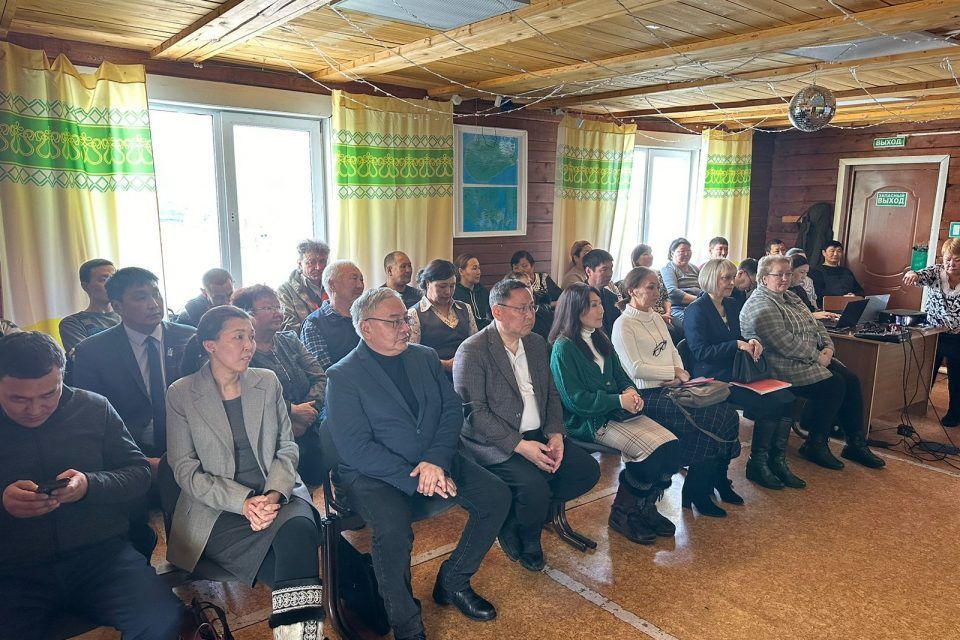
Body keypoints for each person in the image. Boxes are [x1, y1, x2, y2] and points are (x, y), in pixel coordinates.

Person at [326, 288, 510, 640]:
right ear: (366, 328)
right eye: (394, 322)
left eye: (405, 320)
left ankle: (453, 581)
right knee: (393, 531)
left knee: (496, 496)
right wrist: (418, 478)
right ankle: (406, 623)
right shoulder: (343, 375)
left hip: (434, 458)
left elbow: (451, 410)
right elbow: (355, 449)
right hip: (374, 476)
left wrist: (435, 461)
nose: (405, 328)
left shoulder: (424, 357)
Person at [0, 332, 182, 640]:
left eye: (49, 394)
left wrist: (89, 485)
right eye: (18, 399)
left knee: (161, 621)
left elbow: (139, 473)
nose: (35, 409)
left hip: (100, 558)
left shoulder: (93, 408)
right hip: (13, 568)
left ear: (63, 377)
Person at [167, 306, 322, 640]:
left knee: (297, 531)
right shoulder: (182, 393)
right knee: (293, 567)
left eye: (251, 336)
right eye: (238, 337)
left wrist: (272, 495)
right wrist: (243, 503)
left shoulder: (266, 381)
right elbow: (185, 469)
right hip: (217, 511)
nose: (249, 345)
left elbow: (287, 447)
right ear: (210, 345)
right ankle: (305, 635)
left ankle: (301, 636)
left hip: (276, 494)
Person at [453, 279, 600, 572]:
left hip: (539, 434)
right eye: (521, 308)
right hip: (496, 442)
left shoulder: (535, 343)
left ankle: (517, 517)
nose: (530, 314)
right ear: (497, 311)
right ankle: (529, 536)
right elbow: (475, 414)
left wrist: (556, 434)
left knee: (585, 471)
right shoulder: (473, 350)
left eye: (531, 307)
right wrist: (520, 446)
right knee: (534, 487)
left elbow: (552, 394)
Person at [73, 267, 195, 558]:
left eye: (156, 294)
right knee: (130, 526)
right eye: (141, 297)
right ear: (117, 306)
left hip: (190, 446)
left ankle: (195, 558)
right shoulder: (93, 351)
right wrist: (136, 459)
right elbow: (91, 418)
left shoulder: (190, 338)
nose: (153, 303)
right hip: (128, 451)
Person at [549, 283, 680, 543]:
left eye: (600, 303)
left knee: (672, 447)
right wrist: (619, 400)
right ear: (575, 310)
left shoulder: (600, 337)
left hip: (616, 413)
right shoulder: (563, 347)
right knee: (651, 453)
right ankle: (623, 512)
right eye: (594, 305)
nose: (601, 310)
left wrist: (630, 392)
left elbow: (621, 376)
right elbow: (576, 401)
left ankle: (644, 506)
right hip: (589, 421)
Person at [611, 267, 742, 517]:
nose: (656, 292)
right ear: (632, 291)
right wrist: (671, 374)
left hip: (672, 387)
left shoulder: (655, 317)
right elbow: (635, 369)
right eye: (650, 287)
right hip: (646, 395)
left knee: (727, 415)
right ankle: (697, 490)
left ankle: (710, 482)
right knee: (711, 420)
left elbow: (672, 350)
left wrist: (680, 373)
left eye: (658, 287)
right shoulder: (623, 324)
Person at [740, 256, 885, 471]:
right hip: (779, 365)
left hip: (806, 357)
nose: (785, 278)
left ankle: (855, 444)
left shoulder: (791, 296)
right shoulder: (760, 304)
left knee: (851, 380)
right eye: (779, 274)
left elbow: (816, 325)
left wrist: (828, 348)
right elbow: (783, 342)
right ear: (763, 279)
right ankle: (815, 444)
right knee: (833, 384)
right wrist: (818, 357)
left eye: (788, 274)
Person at [684, 259, 805, 490]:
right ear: (711, 279)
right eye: (726, 278)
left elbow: (743, 335)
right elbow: (700, 352)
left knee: (787, 398)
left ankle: (776, 461)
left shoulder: (731, 305)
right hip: (713, 377)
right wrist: (736, 345)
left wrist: (753, 341)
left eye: (733, 277)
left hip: (737, 371)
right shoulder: (696, 310)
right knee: (771, 403)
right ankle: (757, 463)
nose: (732, 282)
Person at [232, 285, 327, 484]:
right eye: (269, 308)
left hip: (308, 426)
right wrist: (291, 412)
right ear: (247, 314)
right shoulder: (241, 352)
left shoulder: (290, 339)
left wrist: (307, 413)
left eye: (278, 307)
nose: (278, 313)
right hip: (265, 437)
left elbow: (320, 377)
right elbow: (248, 396)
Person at [903, 238, 960, 426]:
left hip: (958, 337)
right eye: (948, 259)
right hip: (933, 333)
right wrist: (912, 274)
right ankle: (915, 406)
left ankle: (955, 413)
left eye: (957, 260)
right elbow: (919, 274)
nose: (951, 264)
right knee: (926, 371)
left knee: (957, 377)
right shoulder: (935, 272)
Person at [409, 259, 478, 372]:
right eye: (442, 286)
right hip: (432, 374)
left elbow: (475, 344)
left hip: (466, 372)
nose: (448, 292)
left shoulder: (465, 308)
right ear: (427, 283)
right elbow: (411, 355)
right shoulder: (414, 314)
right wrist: (444, 364)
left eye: (452, 286)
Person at [300, 260, 365, 370]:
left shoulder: (367, 315)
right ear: (332, 285)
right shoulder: (313, 324)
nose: (360, 285)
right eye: (354, 279)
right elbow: (323, 371)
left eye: (361, 280)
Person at [618, 244, 680, 343]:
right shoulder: (630, 279)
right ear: (636, 259)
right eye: (645, 254)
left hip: (664, 314)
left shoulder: (657, 275)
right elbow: (634, 305)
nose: (650, 256)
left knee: (681, 327)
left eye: (650, 253)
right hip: (646, 316)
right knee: (670, 332)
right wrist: (657, 316)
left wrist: (667, 313)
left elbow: (666, 297)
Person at [59, 258, 120, 356]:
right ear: (86, 287)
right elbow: (85, 358)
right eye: (103, 280)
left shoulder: (128, 316)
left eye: (114, 279)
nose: (112, 285)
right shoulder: (73, 323)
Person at [278, 240, 330, 334]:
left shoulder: (335, 283)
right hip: (305, 340)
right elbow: (289, 327)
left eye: (322, 261)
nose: (318, 267)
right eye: (311, 262)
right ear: (300, 264)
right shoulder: (285, 290)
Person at [660, 237, 701, 326]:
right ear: (672, 253)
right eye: (682, 251)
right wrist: (699, 300)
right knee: (697, 321)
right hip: (679, 308)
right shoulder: (668, 268)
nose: (686, 254)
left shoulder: (694, 268)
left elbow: (704, 286)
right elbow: (673, 292)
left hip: (698, 304)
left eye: (688, 250)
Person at [810, 240, 864, 306]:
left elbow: (859, 290)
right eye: (832, 251)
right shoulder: (816, 271)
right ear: (824, 253)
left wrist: (854, 295)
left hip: (849, 305)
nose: (835, 254)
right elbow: (817, 292)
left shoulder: (847, 271)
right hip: (827, 306)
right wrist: (841, 297)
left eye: (839, 251)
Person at [506, 270, 554, 340]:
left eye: (528, 285)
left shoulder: (544, 308)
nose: (527, 290)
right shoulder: (510, 315)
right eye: (521, 287)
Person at [583, 249, 621, 336]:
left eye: (611, 268)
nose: (610, 274)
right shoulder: (578, 297)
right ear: (588, 271)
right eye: (604, 269)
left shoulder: (612, 297)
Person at [789, 254, 838, 321]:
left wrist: (825, 314)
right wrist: (812, 316)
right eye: (802, 272)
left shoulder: (799, 289)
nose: (804, 277)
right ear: (790, 271)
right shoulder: (782, 291)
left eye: (806, 273)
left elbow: (810, 309)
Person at [453, 253, 493, 329]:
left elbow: (490, 315)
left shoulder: (483, 291)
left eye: (479, 268)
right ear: (461, 271)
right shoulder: (454, 293)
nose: (479, 272)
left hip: (486, 330)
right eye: (474, 268)